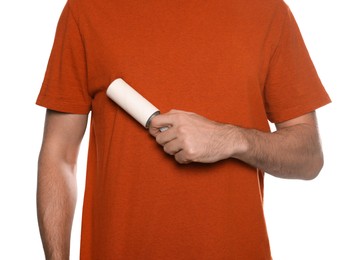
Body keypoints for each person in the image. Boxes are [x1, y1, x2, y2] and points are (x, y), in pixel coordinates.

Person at [36, 0, 331, 259]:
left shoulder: (268, 11)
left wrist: (231, 139)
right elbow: (59, 154)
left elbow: (309, 157)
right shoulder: (86, 9)